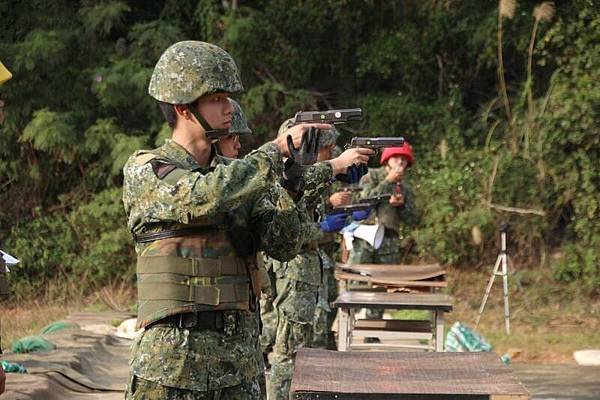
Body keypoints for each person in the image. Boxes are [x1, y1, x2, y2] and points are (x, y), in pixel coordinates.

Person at [123, 40, 372, 399]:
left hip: (239, 367)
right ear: (183, 108)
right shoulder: (148, 169)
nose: (228, 108)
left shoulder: (243, 174)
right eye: (216, 99)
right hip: (171, 366)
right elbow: (202, 195)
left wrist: (295, 179)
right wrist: (274, 151)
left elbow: (284, 243)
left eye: (227, 98)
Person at [266, 120, 352, 400]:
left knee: (310, 343)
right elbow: (289, 231)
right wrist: (323, 227)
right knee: (289, 349)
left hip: (309, 268)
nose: (330, 156)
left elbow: (307, 214)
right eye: (327, 150)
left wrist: (329, 209)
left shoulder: (304, 180)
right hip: (294, 269)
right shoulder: (286, 178)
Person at [348, 143, 418, 322]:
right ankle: (348, 320)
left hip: (388, 240)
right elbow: (364, 200)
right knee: (355, 279)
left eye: (404, 160)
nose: (400, 163)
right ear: (387, 160)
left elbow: (413, 219)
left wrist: (402, 205)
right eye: (397, 159)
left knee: (381, 284)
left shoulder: (406, 187)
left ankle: (373, 325)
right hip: (364, 234)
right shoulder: (371, 175)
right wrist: (387, 182)